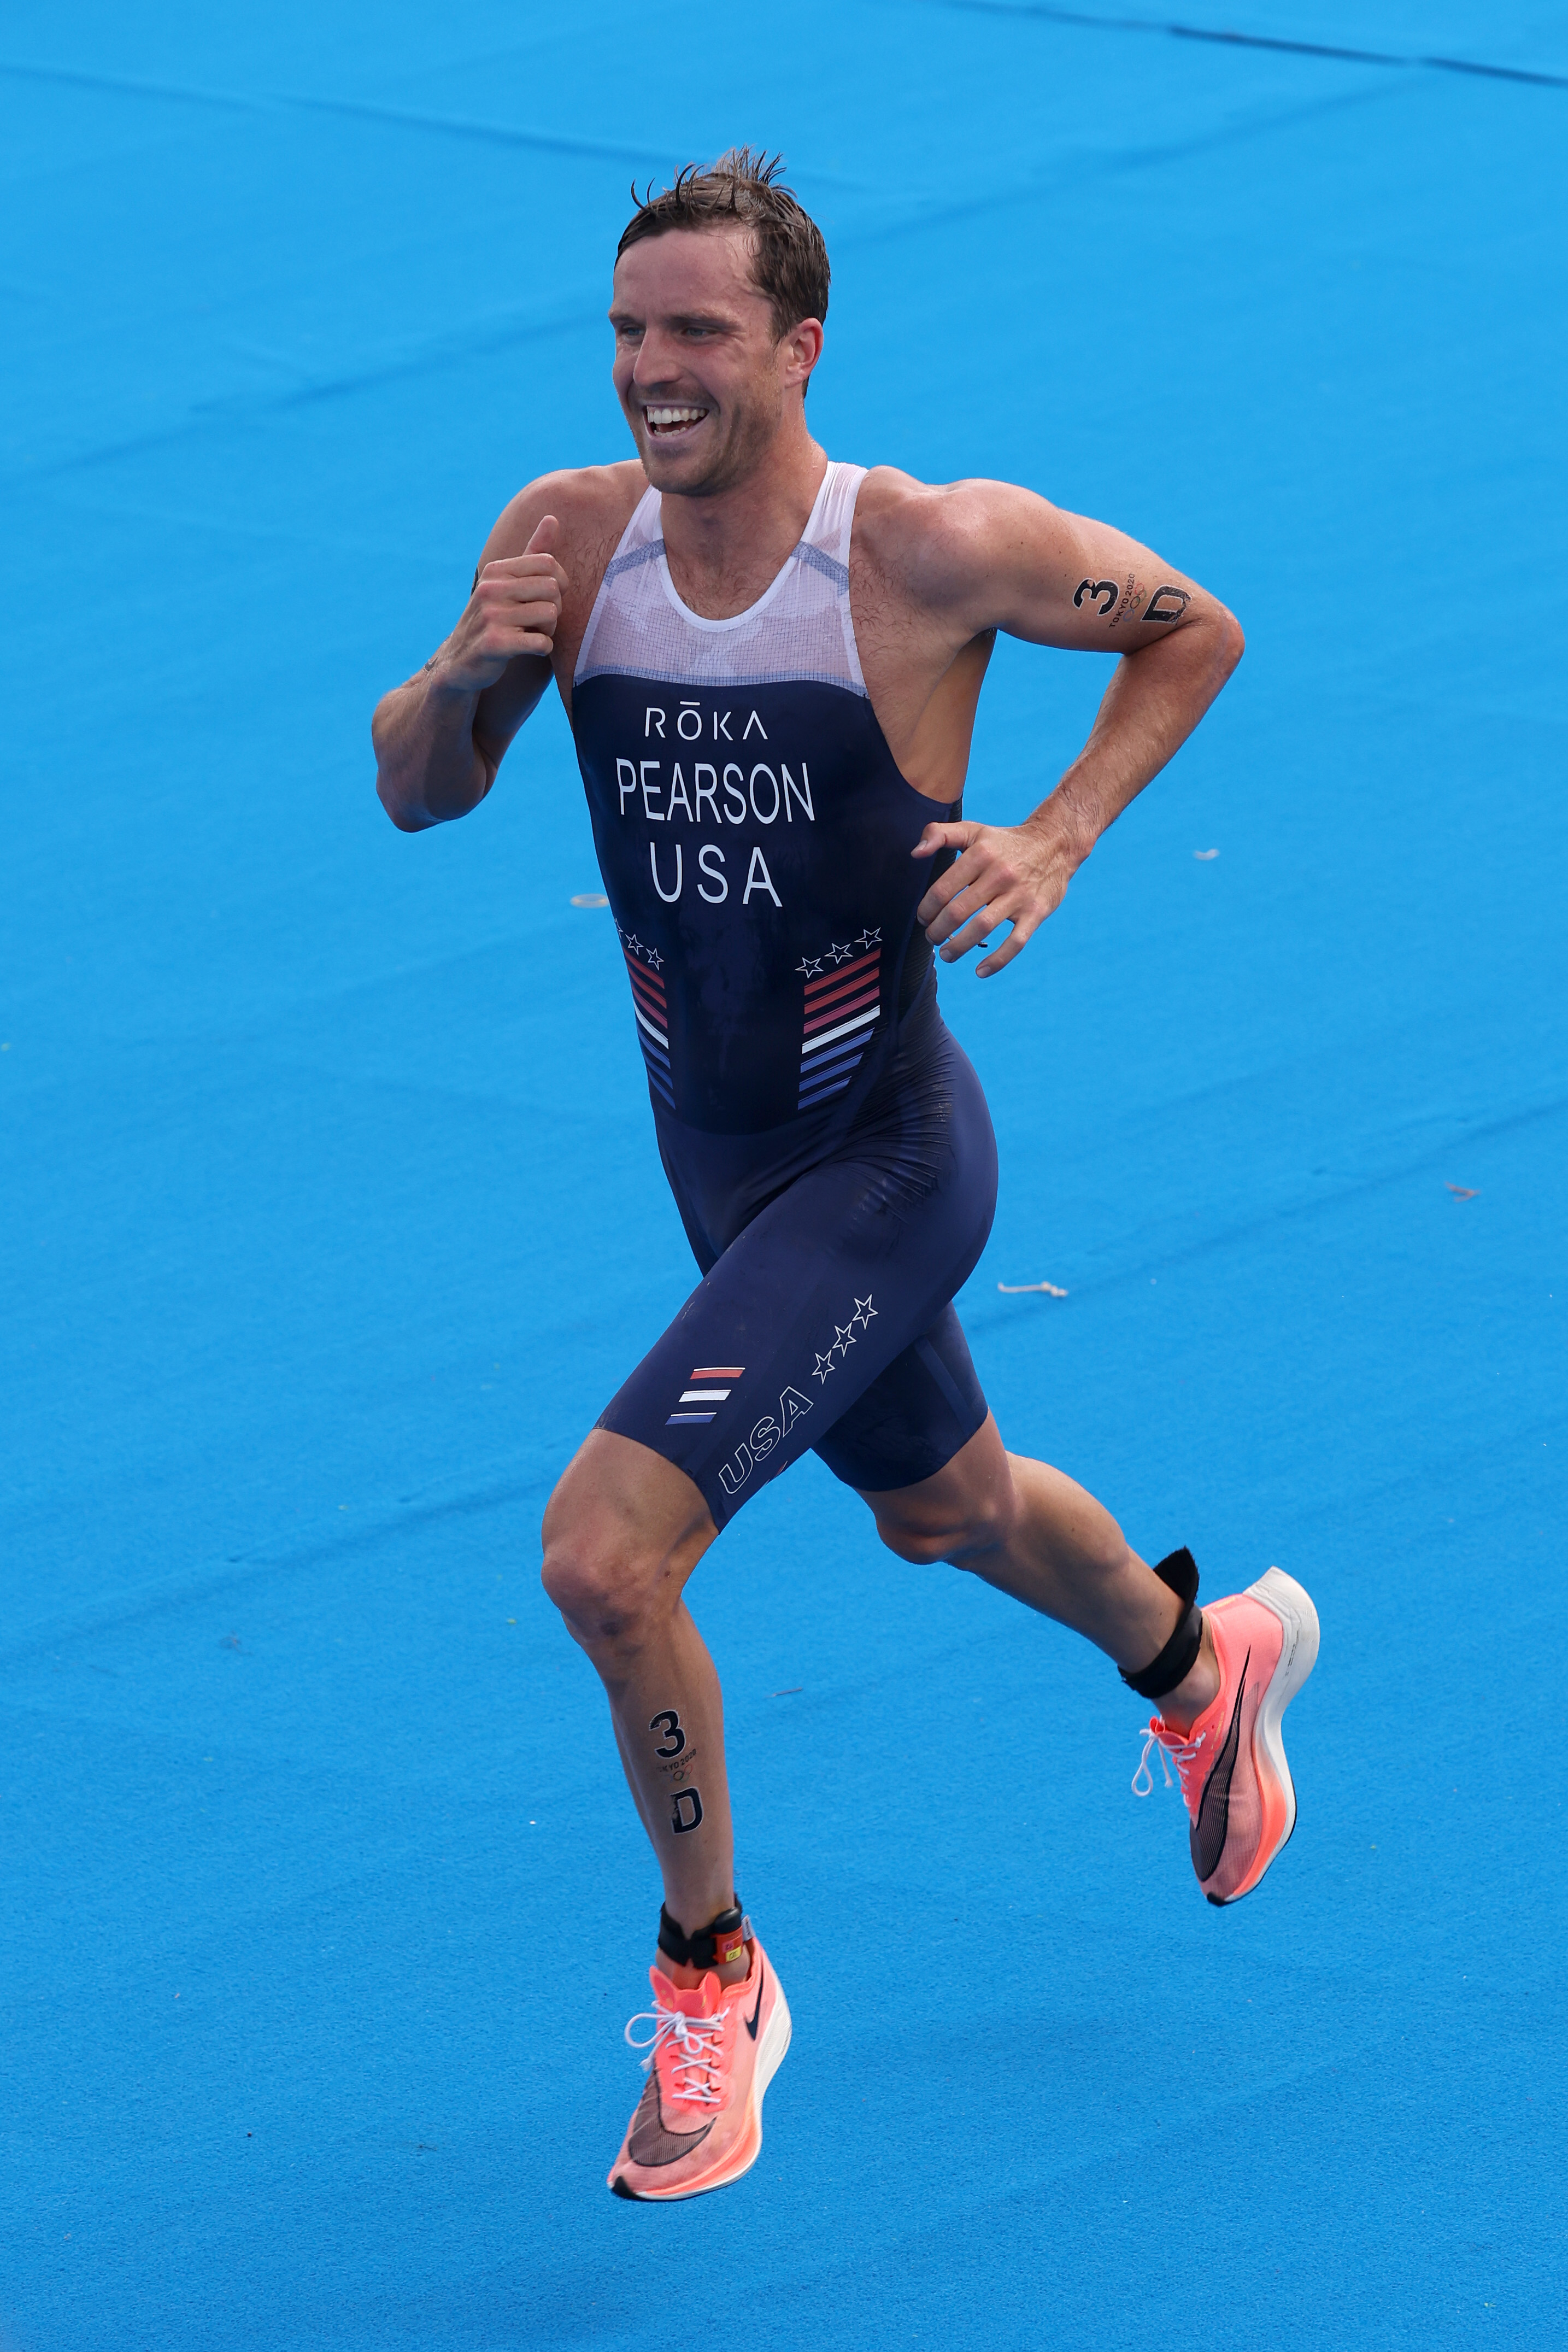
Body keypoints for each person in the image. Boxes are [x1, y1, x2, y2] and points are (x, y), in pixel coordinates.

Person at [371, 149, 1318, 2204]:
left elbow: (1195, 630)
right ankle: (1204, 1662)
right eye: (629, 331)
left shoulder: (927, 550)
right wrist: (461, 675)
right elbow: (420, 795)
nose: (654, 369)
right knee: (943, 1510)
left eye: (698, 333)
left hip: (885, 1152)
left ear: (799, 345)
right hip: (713, 1161)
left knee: (607, 1561)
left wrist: (1055, 834)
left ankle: (713, 1973)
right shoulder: (565, 538)